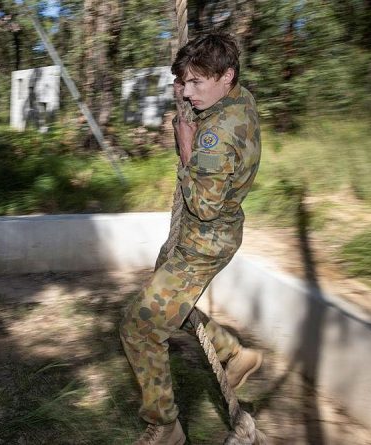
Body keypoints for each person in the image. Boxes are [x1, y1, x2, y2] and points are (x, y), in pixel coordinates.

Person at [119, 32, 263, 445]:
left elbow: (204, 205)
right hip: (218, 235)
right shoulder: (240, 99)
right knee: (170, 309)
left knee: (140, 328)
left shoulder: (216, 136)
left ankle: (165, 428)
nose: (186, 91)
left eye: (197, 82)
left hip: (202, 242)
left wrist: (187, 150)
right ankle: (236, 355)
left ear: (227, 75)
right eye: (183, 81)